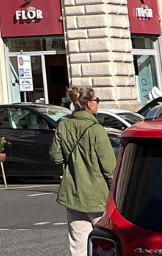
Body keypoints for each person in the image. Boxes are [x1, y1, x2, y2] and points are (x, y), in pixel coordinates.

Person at [50, 86, 117, 256]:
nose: (97, 104)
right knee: (108, 243)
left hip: (73, 193)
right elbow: (110, 168)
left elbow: (56, 157)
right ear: (89, 104)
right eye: (96, 101)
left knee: (78, 245)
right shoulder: (97, 130)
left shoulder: (63, 127)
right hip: (98, 196)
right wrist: (116, 193)